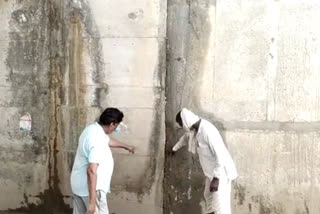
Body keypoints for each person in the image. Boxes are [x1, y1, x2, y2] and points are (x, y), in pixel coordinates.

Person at [172, 108, 237, 214]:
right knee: (209, 200)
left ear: (185, 121)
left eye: (180, 123)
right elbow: (185, 139)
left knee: (220, 208)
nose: (180, 126)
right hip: (211, 175)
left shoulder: (207, 131)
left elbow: (220, 155)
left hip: (221, 175)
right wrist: (174, 149)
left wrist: (216, 179)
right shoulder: (194, 131)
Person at [71, 108, 135, 214]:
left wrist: (126, 146)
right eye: (117, 125)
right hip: (91, 190)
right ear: (112, 124)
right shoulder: (97, 140)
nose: (116, 128)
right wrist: (92, 203)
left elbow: (107, 141)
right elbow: (92, 170)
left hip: (78, 185)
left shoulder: (92, 129)